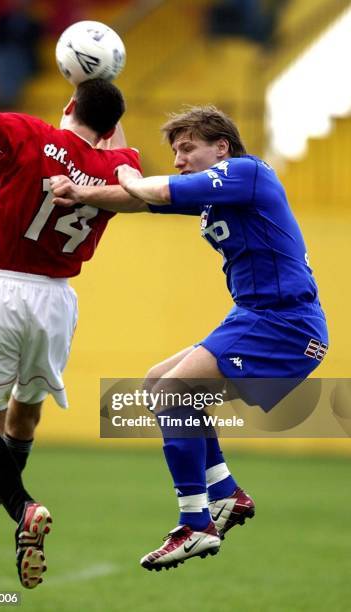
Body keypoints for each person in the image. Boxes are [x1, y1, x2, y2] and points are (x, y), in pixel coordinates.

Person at [50, 105, 328, 570]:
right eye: (174, 151)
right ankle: (225, 493)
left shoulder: (246, 171)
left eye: (186, 148)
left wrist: (115, 169)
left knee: (175, 391)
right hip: (254, 317)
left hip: (284, 323)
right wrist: (88, 186)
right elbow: (140, 199)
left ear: (220, 147)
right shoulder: (218, 195)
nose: (178, 159)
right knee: (157, 381)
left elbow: (153, 187)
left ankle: (196, 524)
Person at [0, 77, 141, 588]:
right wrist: (106, 118)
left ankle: (23, 508)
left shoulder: (27, 131)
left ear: (67, 104)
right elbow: (130, 176)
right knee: (23, 420)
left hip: (1, 287)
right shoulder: (115, 168)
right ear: (109, 127)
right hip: (57, 300)